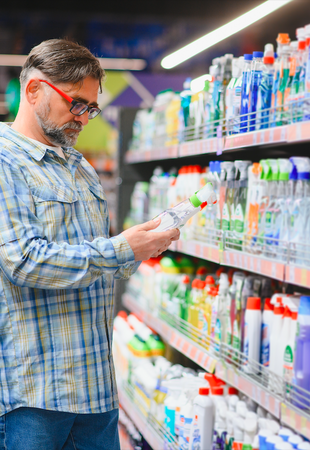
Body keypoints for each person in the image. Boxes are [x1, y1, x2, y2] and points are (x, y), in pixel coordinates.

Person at [0, 39, 179, 449]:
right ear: (33, 91)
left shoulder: (81, 167)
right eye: (76, 104)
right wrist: (120, 249)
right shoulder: (4, 160)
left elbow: (97, 259)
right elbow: (23, 261)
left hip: (96, 388)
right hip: (34, 396)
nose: (84, 118)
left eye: (92, 108)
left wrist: (143, 244)